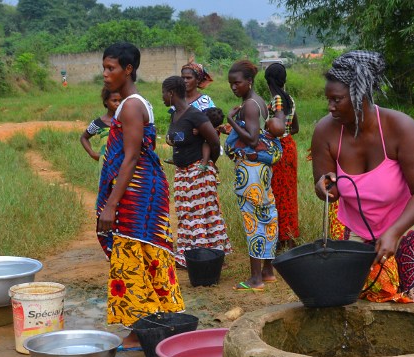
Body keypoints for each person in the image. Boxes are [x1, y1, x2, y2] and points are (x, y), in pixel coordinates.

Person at [312, 51, 414, 306]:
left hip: (412, 220)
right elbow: (325, 190)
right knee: (358, 300)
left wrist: (394, 232)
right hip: (360, 224)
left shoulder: (400, 128)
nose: (330, 107)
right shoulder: (326, 132)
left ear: (359, 95)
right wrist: (325, 188)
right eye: (328, 99)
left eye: (337, 100)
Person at [96, 43, 184, 335]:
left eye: (112, 68)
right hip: (142, 189)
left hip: (138, 193)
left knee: (135, 255)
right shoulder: (132, 102)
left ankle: (140, 330)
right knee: (143, 255)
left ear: (128, 69)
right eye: (105, 68)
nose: (106, 74)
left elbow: (132, 157)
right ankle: (150, 326)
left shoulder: (132, 105)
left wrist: (111, 204)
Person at [162, 76, 232, 268]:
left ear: (171, 93)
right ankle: (190, 256)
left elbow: (215, 142)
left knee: (200, 214)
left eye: (163, 93)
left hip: (198, 171)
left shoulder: (195, 115)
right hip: (182, 171)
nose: (161, 97)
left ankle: (204, 257)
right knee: (185, 214)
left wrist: (209, 163)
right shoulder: (175, 115)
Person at [225, 60, 278, 291]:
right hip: (262, 170)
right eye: (231, 84)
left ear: (249, 81)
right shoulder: (260, 103)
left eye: (237, 83)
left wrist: (229, 122)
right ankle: (267, 271)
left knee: (252, 220)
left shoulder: (249, 105)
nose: (233, 87)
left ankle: (255, 278)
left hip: (250, 171)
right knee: (266, 214)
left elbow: (253, 139)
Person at [265, 63, 300, 250]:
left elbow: (278, 127)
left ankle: (280, 238)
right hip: (289, 147)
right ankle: (290, 235)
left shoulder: (277, 99)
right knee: (288, 192)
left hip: (278, 148)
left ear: (268, 80)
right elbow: (295, 128)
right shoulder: (290, 99)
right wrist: (285, 135)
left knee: (278, 193)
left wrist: (269, 134)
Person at [79, 87, 122, 164]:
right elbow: (84, 138)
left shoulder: (126, 121)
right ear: (106, 102)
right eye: (114, 101)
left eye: (120, 100)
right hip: (105, 166)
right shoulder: (98, 123)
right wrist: (92, 153)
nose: (118, 103)